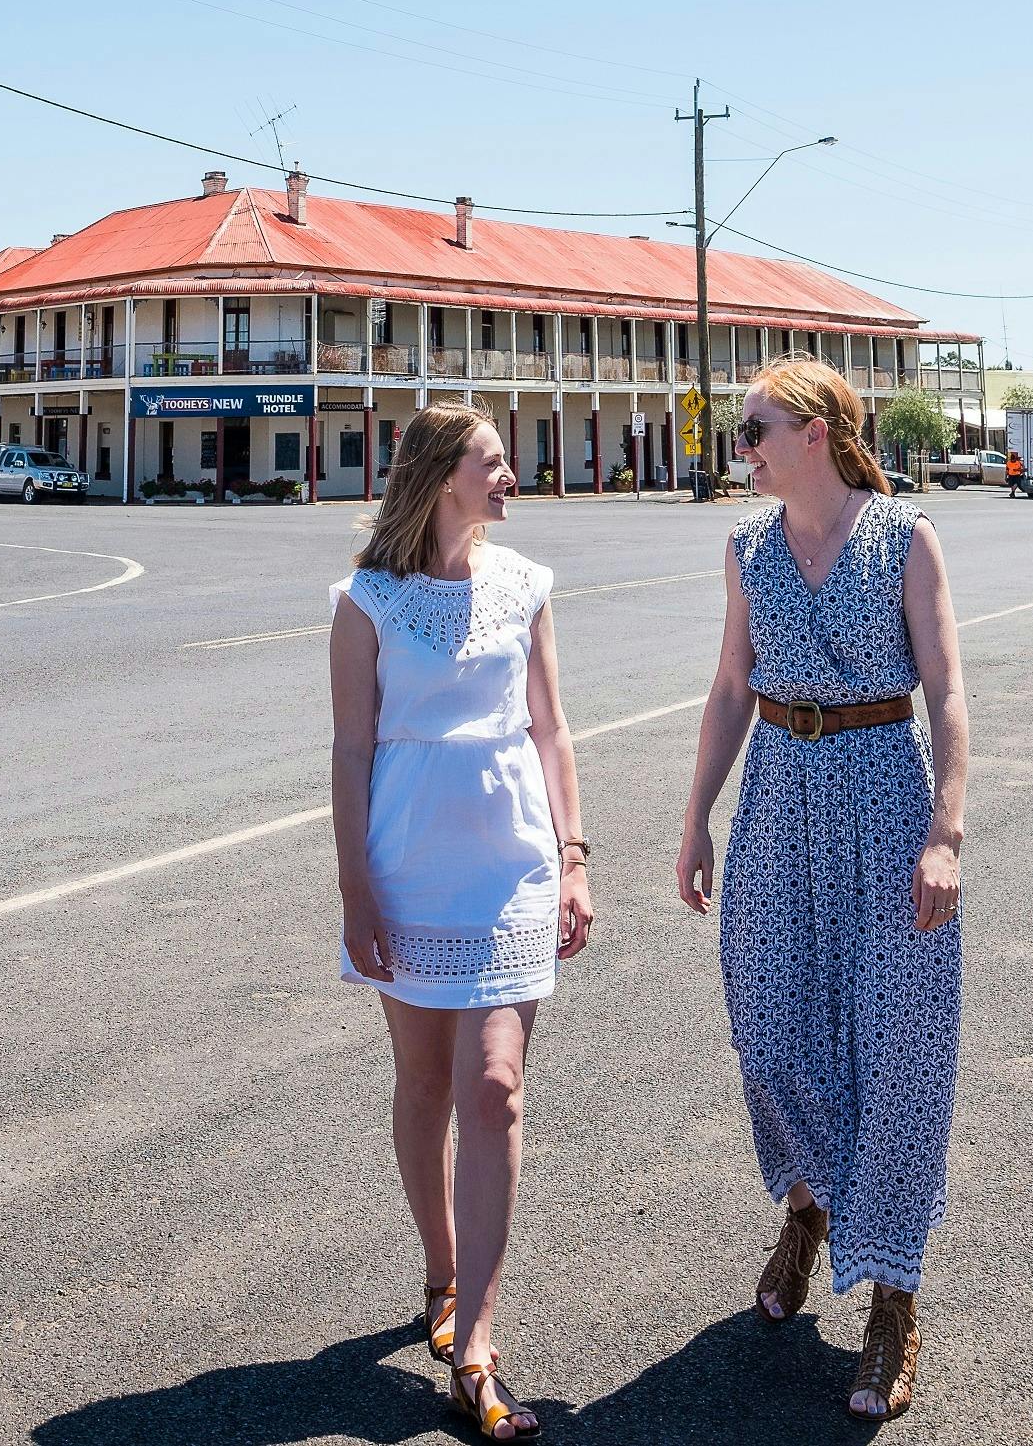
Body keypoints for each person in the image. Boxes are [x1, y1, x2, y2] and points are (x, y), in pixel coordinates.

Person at [676, 357, 970, 1423]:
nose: (738, 446)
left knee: (896, 1045)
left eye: (752, 428)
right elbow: (727, 687)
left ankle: (893, 1296)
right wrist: (694, 816)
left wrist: (946, 829)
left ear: (814, 430)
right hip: (776, 805)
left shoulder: (903, 536)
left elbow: (945, 691)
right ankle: (806, 1205)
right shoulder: (746, 546)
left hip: (885, 800)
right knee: (769, 1031)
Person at [329, 400, 592, 1440]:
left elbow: (552, 729)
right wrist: (354, 886)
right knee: (426, 1081)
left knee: (493, 1084)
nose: (510, 474)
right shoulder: (366, 599)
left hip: (511, 868)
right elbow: (350, 751)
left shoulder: (526, 586)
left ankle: (476, 1343)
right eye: (493, 461)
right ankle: (441, 1272)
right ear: (444, 475)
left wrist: (573, 858)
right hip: (406, 868)